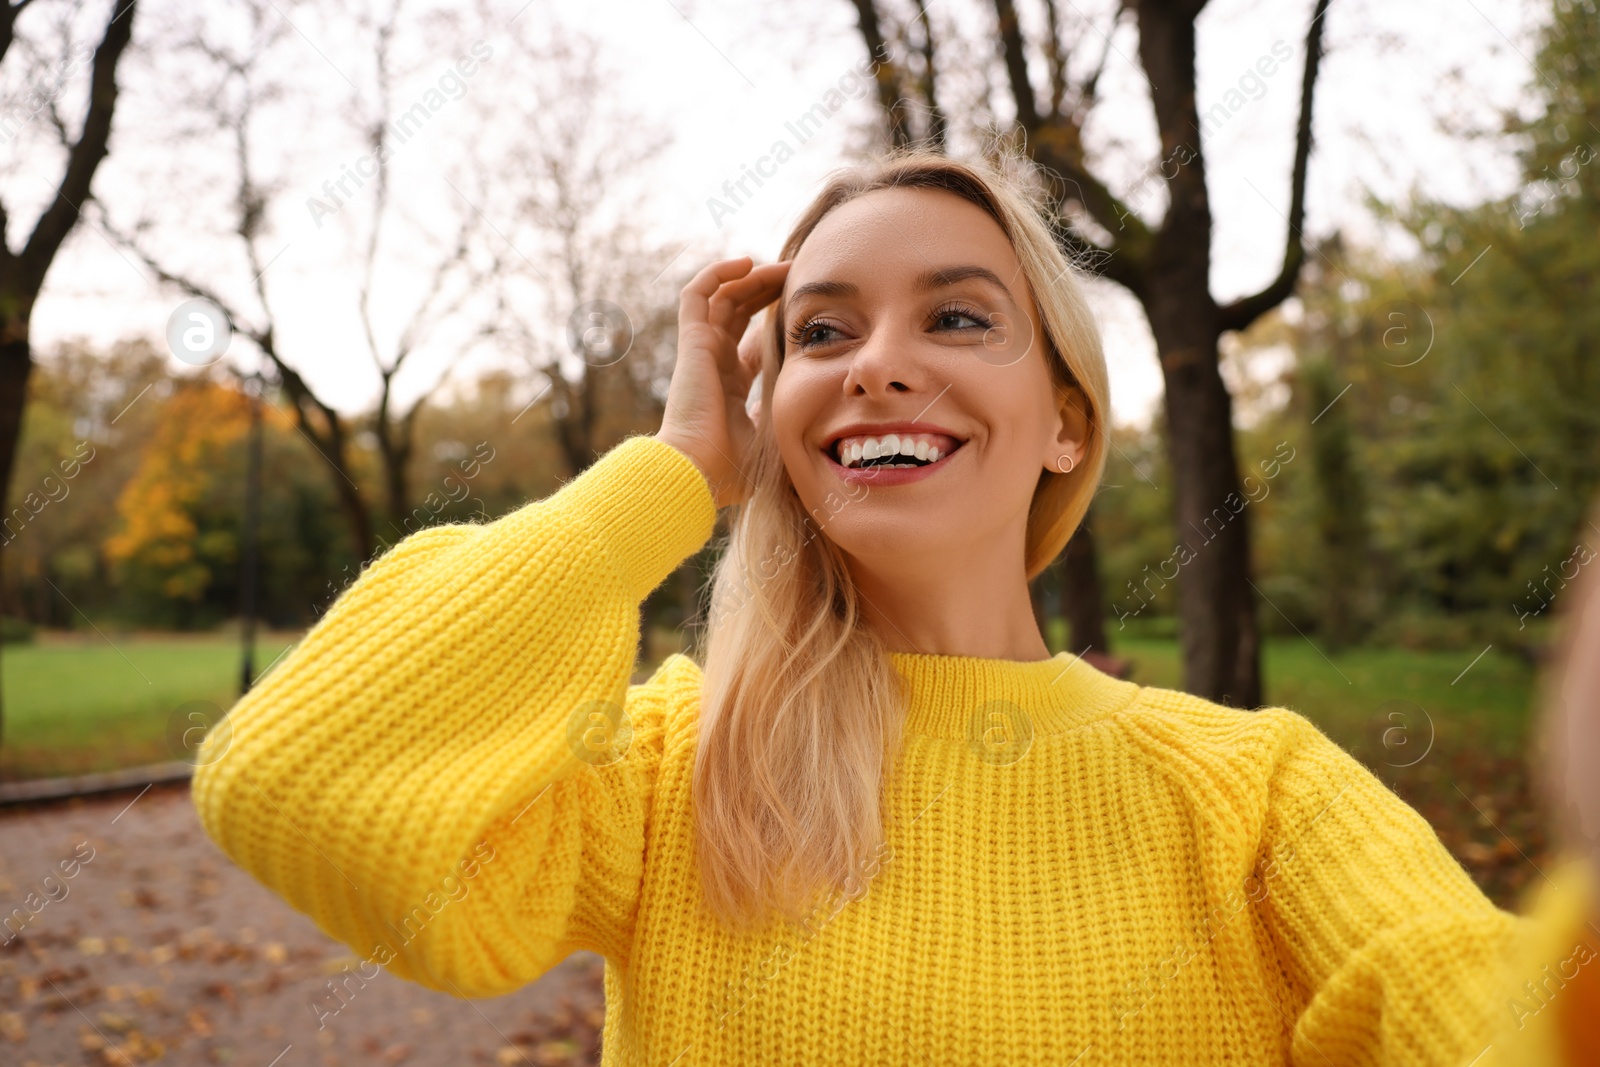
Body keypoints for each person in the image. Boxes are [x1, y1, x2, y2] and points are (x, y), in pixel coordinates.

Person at [191, 148, 1600, 1065]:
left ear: (1063, 421)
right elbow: (295, 774)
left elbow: (1465, 1005)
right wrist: (676, 471)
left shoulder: (1259, 792)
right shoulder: (681, 768)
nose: (874, 364)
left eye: (957, 316)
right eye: (820, 331)